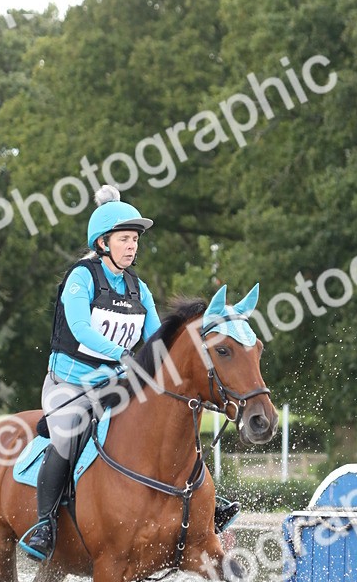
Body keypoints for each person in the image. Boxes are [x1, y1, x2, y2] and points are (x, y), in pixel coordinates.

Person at [19, 185, 239, 561]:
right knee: (67, 438)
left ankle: (204, 508)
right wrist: (122, 354)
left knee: (168, 425)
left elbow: (156, 339)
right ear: (103, 242)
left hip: (114, 383)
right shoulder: (81, 278)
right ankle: (44, 525)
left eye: (135, 240)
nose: (132, 246)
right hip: (69, 384)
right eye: (124, 239)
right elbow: (80, 329)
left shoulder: (139, 288)